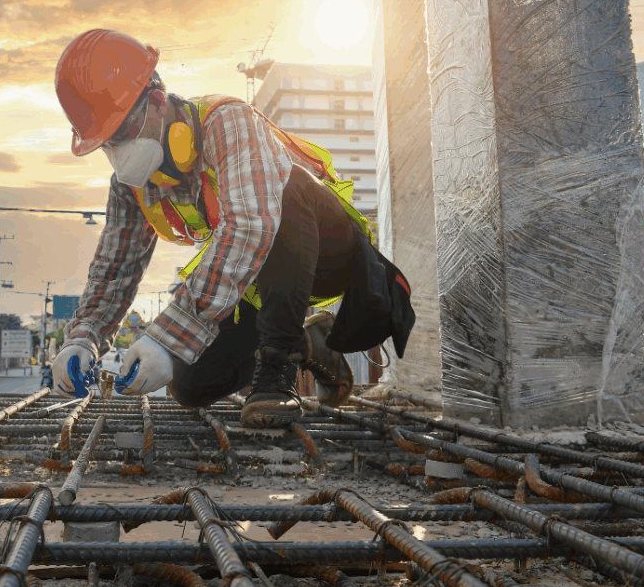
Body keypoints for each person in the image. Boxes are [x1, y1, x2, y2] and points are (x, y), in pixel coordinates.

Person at [50, 29, 414, 427]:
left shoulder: (227, 121)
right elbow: (115, 268)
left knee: (279, 190)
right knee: (189, 383)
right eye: (105, 143)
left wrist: (163, 336)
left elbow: (250, 224)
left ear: (155, 103)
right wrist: (83, 337)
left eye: (120, 133)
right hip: (259, 277)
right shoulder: (132, 186)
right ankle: (314, 343)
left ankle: (279, 368)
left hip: (325, 250)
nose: (117, 154)